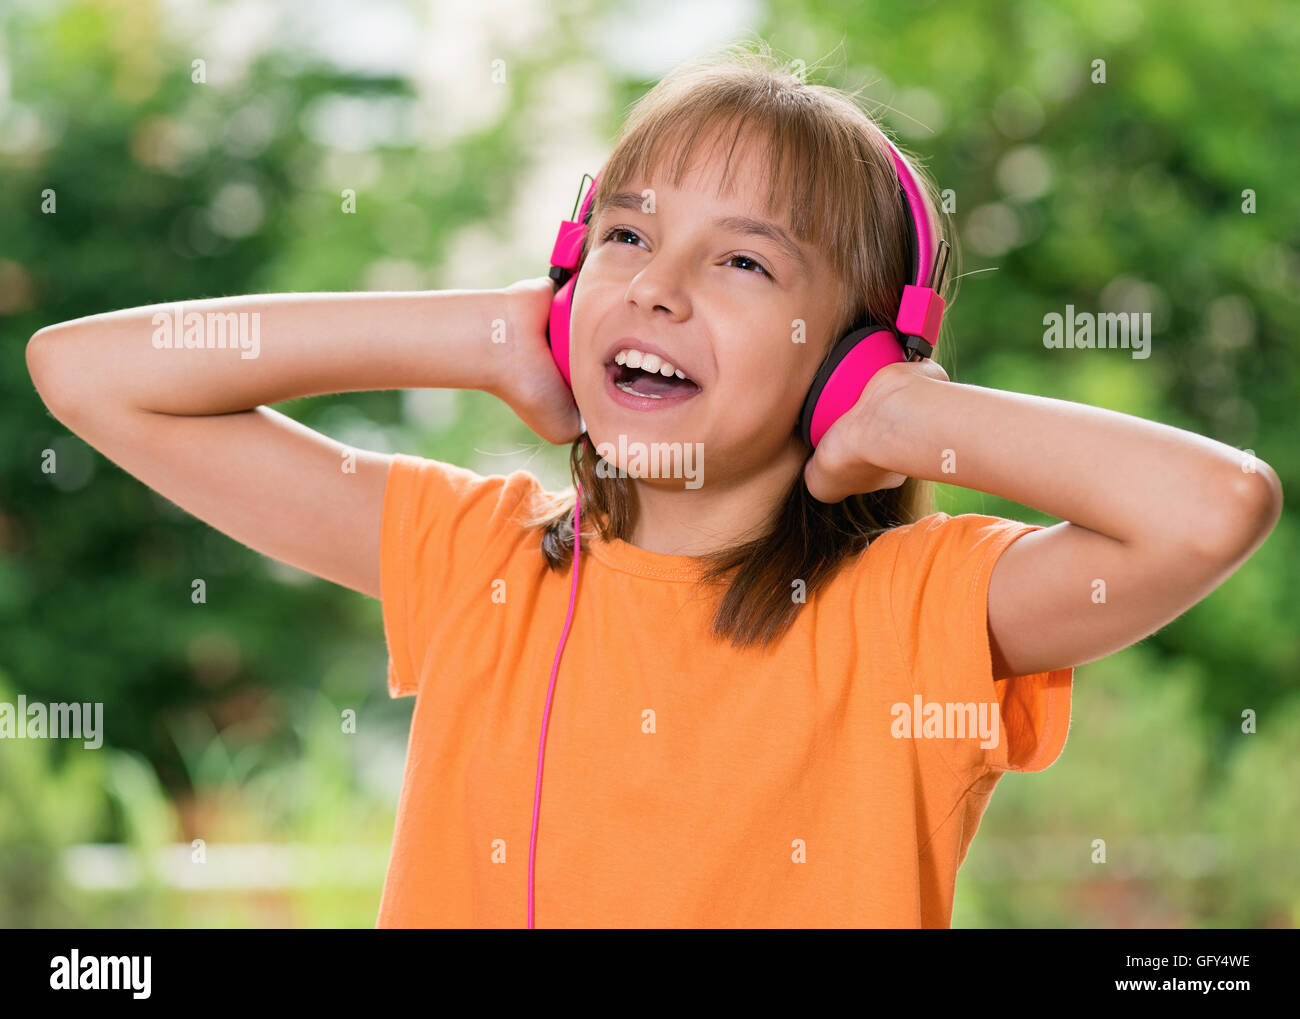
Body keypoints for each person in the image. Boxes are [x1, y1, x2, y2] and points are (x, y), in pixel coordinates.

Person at [25, 43, 1282, 928]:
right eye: (624, 236)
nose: (656, 286)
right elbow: (88, 373)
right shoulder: (476, 558)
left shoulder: (922, 610)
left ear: (851, 349)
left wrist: (900, 412)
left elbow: (1210, 506)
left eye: (742, 260)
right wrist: (478, 336)